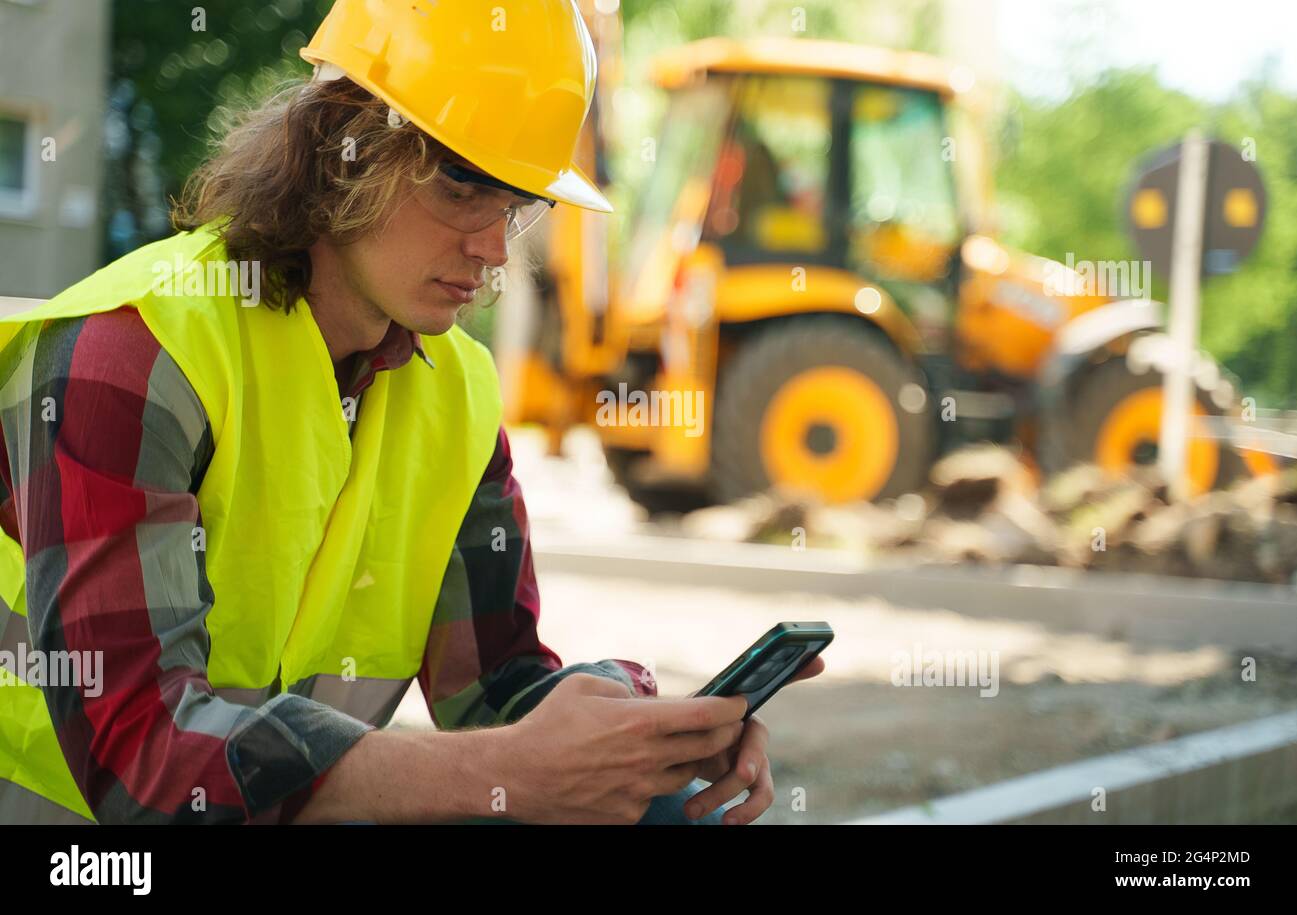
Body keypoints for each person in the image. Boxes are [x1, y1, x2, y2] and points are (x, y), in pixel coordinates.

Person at [0, 0, 822, 826]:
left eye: (515, 202)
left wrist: (644, 735)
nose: (496, 248)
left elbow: (496, 690)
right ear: (337, 149)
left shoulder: (457, 390)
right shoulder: (131, 354)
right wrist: (501, 771)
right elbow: (141, 760)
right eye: (463, 184)